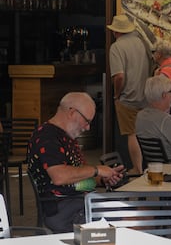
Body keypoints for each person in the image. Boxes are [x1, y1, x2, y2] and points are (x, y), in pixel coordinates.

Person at [27, 92, 125, 233]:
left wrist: (103, 180)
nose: (87, 128)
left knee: (142, 213)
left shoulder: (65, 137)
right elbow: (60, 176)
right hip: (64, 212)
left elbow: (77, 177)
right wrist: (97, 170)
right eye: (87, 121)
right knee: (140, 218)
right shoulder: (46, 136)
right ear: (72, 112)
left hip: (78, 205)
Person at [107, 14, 151, 175]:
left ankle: (136, 168)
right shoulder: (141, 42)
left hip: (128, 97)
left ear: (115, 32)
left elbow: (119, 76)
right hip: (145, 97)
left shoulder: (117, 47)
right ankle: (146, 166)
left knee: (131, 133)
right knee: (143, 133)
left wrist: (116, 95)